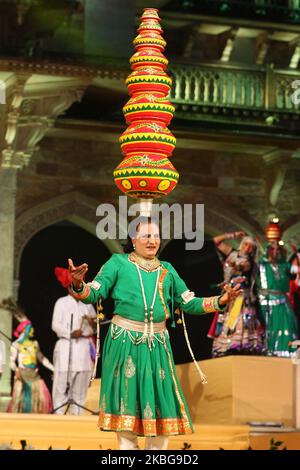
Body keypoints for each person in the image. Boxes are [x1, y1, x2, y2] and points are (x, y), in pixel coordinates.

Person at [68, 216, 241, 450]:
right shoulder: (118, 263)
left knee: (160, 407)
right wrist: (79, 284)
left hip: (157, 345)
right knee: (127, 407)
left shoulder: (167, 270)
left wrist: (221, 300)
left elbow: (190, 303)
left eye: (156, 236)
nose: (152, 241)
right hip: (125, 342)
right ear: (133, 239)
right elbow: (93, 294)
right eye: (146, 236)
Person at [209, 231, 263, 357]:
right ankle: (225, 345)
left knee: (238, 319)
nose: (247, 248)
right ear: (241, 244)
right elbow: (215, 241)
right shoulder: (232, 252)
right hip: (228, 294)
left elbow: (241, 268)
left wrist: (232, 266)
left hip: (240, 295)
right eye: (246, 244)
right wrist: (232, 235)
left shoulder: (250, 262)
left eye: (251, 247)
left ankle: (240, 345)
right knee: (227, 319)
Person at [52, 267, 96, 415]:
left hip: (84, 349)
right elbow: (55, 325)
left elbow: (94, 327)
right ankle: (58, 416)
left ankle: (77, 418)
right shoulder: (62, 302)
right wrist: (71, 333)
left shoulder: (87, 304)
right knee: (61, 384)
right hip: (66, 346)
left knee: (81, 387)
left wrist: (92, 324)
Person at [258, 242, 298, 356]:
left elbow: (296, 269)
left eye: (277, 250)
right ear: (268, 251)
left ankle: (293, 353)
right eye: (272, 249)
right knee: (268, 328)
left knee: (290, 325)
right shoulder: (261, 264)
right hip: (265, 301)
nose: (275, 252)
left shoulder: (284, 265)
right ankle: (268, 352)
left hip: (282, 301)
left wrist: (297, 254)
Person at [8, 320, 53, 413]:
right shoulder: (16, 345)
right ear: (24, 330)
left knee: (39, 399)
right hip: (22, 376)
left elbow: (42, 359)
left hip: (34, 376)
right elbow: (11, 361)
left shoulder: (35, 344)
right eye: (30, 328)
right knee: (22, 400)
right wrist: (16, 369)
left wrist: (54, 369)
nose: (32, 330)